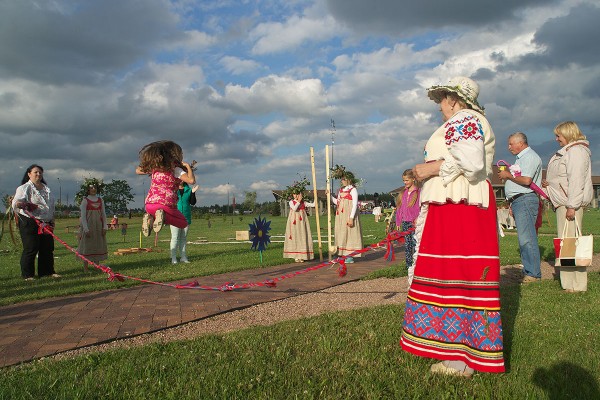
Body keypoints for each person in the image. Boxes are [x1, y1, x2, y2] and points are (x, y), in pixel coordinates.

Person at [400, 76, 504, 376]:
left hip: (460, 205)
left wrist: (430, 168)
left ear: (455, 100)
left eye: (442, 100)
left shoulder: (466, 118)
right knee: (451, 276)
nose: (440, 107)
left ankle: (462, 358)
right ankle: (456, 351)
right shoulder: (464, 120)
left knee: (458, 276)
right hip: (453, 203)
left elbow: (471, 161)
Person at [542, 121, 593, 292]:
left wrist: (572, 205)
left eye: (559, 135)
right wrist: (549, 184)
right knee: (568, 244)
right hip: (564, 202)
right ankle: (569, 282)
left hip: (569, 204)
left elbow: (576, 180)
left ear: (569, 134)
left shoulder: (576, 152)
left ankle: (576, 284)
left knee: (571, 243)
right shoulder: (570, 151)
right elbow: (563, 177)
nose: (557, 139)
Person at [498, 132, 543, 282]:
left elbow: (526, 180)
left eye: (511, 143)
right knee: (524, 237)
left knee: (527, 238)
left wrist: (508, 176)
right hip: (518, 200)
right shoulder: (521, 158)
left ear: (521, 143)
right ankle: (528, 270)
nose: (509, 147)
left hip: (525, 199)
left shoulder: (530, 157)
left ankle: (533, 273)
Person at [136, 140, 196, 237]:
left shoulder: (155, 168)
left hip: (149, 205)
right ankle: (162, 217)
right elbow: (191, 181)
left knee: (158, 215)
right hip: (165, 205)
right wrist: (188, 167)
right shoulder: (176, 170)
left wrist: (149, 162)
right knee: (183, 223)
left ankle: (150, 218)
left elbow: (138, 171)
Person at [11, 164, 60, 280]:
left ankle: (47, 272)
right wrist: (23, 204)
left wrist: (52, 219)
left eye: (40, 172)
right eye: (36, 172)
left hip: (46, 222)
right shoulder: (24, 188)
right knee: (31, 248)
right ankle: (28, 275)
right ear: (29, 174)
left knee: (47, 248)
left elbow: (51, 206)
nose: (39, 174)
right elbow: (16, 203)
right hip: (30, 222)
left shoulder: (46, 188)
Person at [329, 165, 363, 263]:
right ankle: (341, 254)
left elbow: (355, 204)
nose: (342, 181)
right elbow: (337, 202)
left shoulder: (353, 190)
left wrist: (351, 217)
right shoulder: (341, 190)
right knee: (341, 233)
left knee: (350, 234)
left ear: (349, 179)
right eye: (342, 179)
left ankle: (349, 255)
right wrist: (330, 196)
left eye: (344, 179)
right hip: (340, 216)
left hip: (348, 215)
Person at [76, 179, 108, 272]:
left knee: (97, 244)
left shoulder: (100, 200)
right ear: (88, 190)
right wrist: (85, 229)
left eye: (95, 187)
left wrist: (104, 226)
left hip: (98, 225)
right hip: (89, 226)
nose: (93, 189)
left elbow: (103, 214)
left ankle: (96, 266)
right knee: (87, 246)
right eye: (91, 188)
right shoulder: (85, 201)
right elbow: (83, 216)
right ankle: (85, 267)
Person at [395, 169, 420, 275]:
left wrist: (418, 219)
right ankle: (409, 266)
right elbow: (399, 209)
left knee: (416, 244)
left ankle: (417, 266)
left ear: (413, 179)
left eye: (407, 180)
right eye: (404, 180)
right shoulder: (403, 193)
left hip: (415, 223)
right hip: (405, 222)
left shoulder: (418, 193)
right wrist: (398, 222)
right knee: (407, 245)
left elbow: (420, 208)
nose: (405, 182)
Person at [170, 182, 199, 264]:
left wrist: (193, 193)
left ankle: (183, 257)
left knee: (183, 238)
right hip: (175, 217)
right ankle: (173, 258)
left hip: (186, 217)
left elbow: (192, 203)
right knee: (175, 238)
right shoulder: (173, 189)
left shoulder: (188, 190)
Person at [283, 190, 315, 263]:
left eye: (298, 194)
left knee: (302, 236)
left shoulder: (304, 203)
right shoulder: (291, 202)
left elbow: (313, 205)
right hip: (294, 222)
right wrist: (299, 201)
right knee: (295, 236)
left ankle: (302, 255)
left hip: (302, 222)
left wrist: (315, 196)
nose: (296, 196)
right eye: (294, 194)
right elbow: (294, 208)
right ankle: (296, 255)